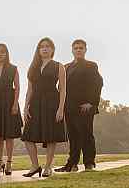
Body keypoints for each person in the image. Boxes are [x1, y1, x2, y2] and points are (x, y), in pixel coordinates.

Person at [21, 37, 67, 178]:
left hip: (52, 102)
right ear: (38, 50)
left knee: (51, 136)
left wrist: (61, 108)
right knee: (28, 137)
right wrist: (25, 107)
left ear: (52, 49)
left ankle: (48, 167)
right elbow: (30, 90)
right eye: (42, 46)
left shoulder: (59, 66)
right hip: (35, 103)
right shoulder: (33, 67)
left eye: (47, 46)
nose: (45, 49)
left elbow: (63, 89)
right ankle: (35, 166)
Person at [56, 39, 103, 173]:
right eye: (76, 48)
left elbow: (98, 84)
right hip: (69, 107)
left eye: (81, 48)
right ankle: (72, 164)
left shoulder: (91, 65)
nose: (78, 50)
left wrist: (92, 103)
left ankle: (89, 163)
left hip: (84, 107)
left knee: (86, 135)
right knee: (73, 136)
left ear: (85, 50)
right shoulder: (66, 67)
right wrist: (60, 105)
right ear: (72, 50)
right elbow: (61, 87)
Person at [0, 43, 22, 176]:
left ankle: (9, 163)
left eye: (2, 52)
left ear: (6, 54)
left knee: (9, 135)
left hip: (9, 103)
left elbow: (17, 87)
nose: (0, 54)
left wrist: (15, 104)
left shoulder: (13, 69)